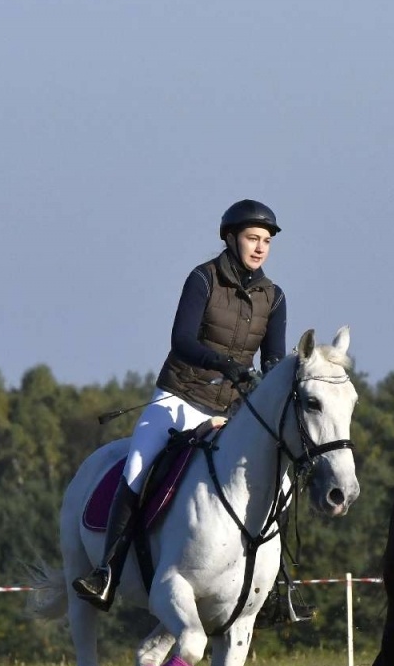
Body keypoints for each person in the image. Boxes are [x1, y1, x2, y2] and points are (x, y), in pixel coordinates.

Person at [73, 199, 288, 608]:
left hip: (231, 412)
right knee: (137, 468)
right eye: (252, 238)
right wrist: (227, 364)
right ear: (230, 238)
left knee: (279, 482)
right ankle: (107, 571)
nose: (260, 247)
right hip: (181, 398)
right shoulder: (202, 279)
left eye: (266, 241)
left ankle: (277, 588)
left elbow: (273, 359)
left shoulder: (274, 297)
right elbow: (182, 341)